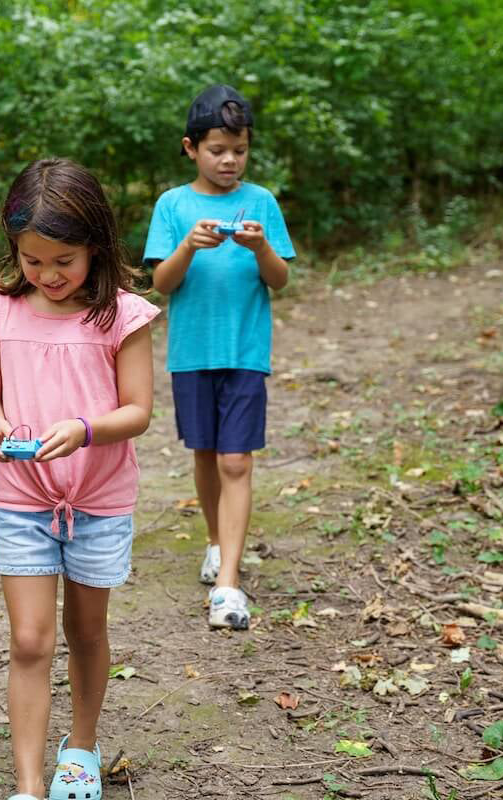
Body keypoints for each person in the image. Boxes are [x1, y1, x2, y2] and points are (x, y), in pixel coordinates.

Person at [0, 157, 160, 800]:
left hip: (98, 502)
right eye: (32, 260)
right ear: (14, 251)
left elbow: (137, 411)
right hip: (22, 499)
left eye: (63, 261)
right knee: (29, 639)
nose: (47, 275)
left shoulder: (122, 316)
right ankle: (27, 784)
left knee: (85, 632)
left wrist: (83, 428)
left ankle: (80, 747)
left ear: (96, 248)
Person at [143, 84, 295, 631]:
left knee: (237, 459)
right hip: (191, 353)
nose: (229, 160)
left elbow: (279, 279)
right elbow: (161, 284)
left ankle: (229, 583)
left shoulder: (261, 203)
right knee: (206, 454)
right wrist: (188, 245)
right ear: (191, 148)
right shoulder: (172, 205)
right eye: (217, 150)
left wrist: (260, 248)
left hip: (245, 350)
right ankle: (214, 542)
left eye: (240, 149)